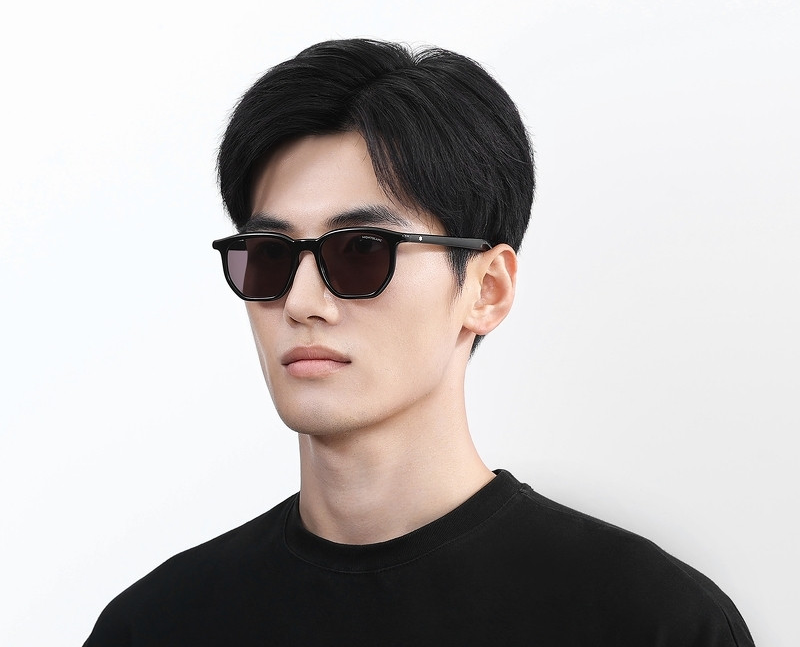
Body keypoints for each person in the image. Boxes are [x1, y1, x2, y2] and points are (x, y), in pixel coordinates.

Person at [83, 38, 756, 646]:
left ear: (486, 289)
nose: (301, 302)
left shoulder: (654, 624)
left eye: (361, 250)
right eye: (269, 254)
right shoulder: (156, 626)